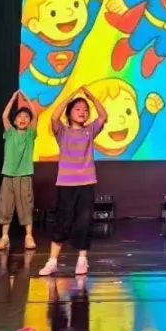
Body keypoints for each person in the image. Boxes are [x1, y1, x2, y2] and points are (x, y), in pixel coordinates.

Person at [38, 88, 108, 277]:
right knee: (62, 222)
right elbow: (54, 117)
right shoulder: (62, 131)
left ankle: (82, 260)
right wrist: (70, 97)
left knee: (84, 221)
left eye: (85, 109)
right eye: (77, 109)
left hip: (87, 182)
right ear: (69, 113)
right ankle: (52, 261)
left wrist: (92, 97)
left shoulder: (89, 130)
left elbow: (103, 116)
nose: (82, 111)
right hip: (66, 184)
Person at [0, 91, 38, 251]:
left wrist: (28, 100)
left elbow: (35, 115)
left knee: (26, 205)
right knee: (5, 206)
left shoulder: (30, 134)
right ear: (15, 121)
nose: (23, 119)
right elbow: (4, 116)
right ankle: (4, 237)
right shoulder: (10, 133)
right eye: (20, 117)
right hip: (8, 175)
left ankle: (29, 236)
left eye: (26, 117)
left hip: (24, 175)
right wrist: (13, 98)